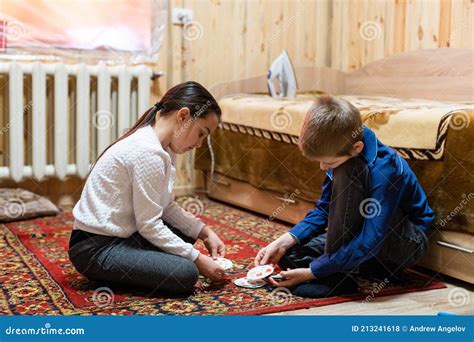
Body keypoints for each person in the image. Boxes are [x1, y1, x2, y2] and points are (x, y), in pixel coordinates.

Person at [255, 95, 434, 298]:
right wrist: (283, 241)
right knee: (290, 253)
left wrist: (312, 272)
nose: (323, 168)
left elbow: (373, 237)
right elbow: (324, 209)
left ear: (356, 148)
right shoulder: (344, 150)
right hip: (365, 233)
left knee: (348, 171)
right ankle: (356, 267)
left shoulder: (385, 168)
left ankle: (338, 277)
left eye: (328, 163)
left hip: (404, 241)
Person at [69, 81, 226, 294]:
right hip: (95, 249)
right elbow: (150, 224)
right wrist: (197, 259)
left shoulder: (164, 147)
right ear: (183, 116)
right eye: (201, 133)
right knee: (186, 273)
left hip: (126, 235)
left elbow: (166, 207)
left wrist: (205, 232)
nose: (199, 144)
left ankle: (138, 270)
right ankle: (112, 273)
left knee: (186, 235)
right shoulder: (147, 152)